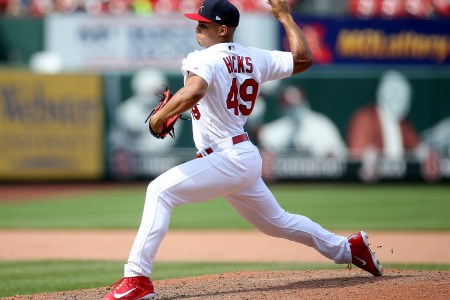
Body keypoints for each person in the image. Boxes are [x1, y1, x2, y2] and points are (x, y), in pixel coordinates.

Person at [103, 1, 382, 299]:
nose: (197, 27)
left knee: (160, 192)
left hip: (227, 157)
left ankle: (137, 279)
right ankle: (347, 248)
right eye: (197, 21)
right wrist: (285, 16)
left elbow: (194, 90)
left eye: (204, 24)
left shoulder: (204, 58)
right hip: (242, 155)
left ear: (222, 30)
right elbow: (303, 59)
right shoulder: (254, 57)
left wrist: (158, 117)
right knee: (278, 223)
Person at [258, 84, 347, 158]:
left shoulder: (322, 124)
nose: (294, 109)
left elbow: (339, 155)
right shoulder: (273, 130)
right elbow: (265, 154)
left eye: (297, 102)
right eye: (288, 104)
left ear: (304, 101)